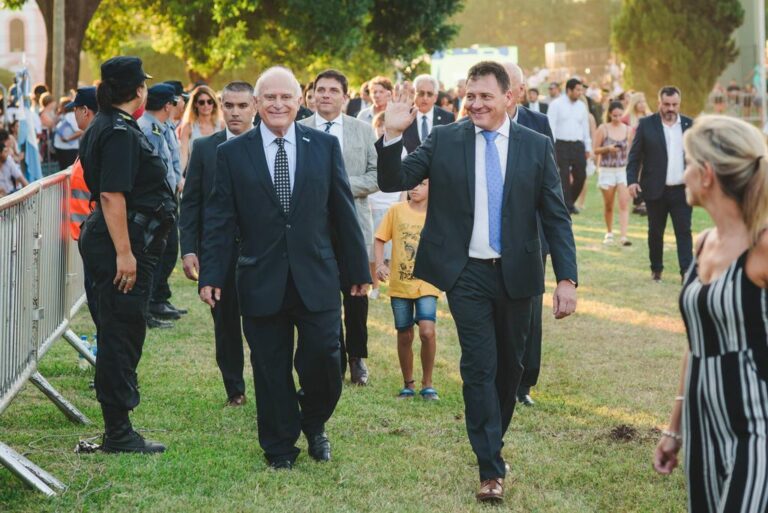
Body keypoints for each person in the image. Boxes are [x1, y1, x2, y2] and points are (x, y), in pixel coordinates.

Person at [377, 61, 578, 503]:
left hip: (518, 273)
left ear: (510, 97)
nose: (476, 104)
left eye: (486, 96)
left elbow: (556, 216)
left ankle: (492, 441)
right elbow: (395, 179)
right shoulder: (445, 138)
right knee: (479, 366)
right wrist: (392, 135)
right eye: (471, 96)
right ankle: (489, 467)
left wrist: (566, 278)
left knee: (511, 368)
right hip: (465, 273)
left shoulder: (536, 145)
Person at [198, 66, 370, 469]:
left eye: (286, 97)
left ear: (299, 101)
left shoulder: (324, 147)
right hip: (260, 277)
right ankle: (278, 446)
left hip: (317, 275)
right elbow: (220, 219)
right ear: (257, 103)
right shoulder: (231, 154)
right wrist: (212, 274)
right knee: (270, 368)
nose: (278, 104)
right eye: (270, 97)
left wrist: (357, 270)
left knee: (327, 359)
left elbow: (342, 212)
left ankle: (314, 422)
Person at [653, 115, 768, 513]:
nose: (681, 175)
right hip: (702, 425)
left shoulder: (762, 246)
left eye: (687, 164)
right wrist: (675, 428)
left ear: (706, 175)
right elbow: (696, 341)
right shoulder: (703, 243)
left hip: (756, 424)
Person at [78, 56, 177, 454]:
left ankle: (118, 425)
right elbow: (111, 195)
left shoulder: (109, 123)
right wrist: (125, 253)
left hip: (123, 239)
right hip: (122, 242)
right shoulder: (117, 130)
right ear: (138, 90)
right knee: (121, 333)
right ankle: (118, 432)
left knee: (121, 329)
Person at [298, 69, 379, 385]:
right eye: (321, 89)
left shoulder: (362, 130)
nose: (326, 95)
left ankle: (357, 357)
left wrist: (339, 185)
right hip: (312, 227)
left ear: (346, 97)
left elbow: (375, 176)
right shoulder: (299, 128)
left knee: (356, 294)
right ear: (312, 95)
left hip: (353, 225)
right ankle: (333, 356)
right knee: (321, 294)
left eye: (333, 90)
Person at [180, 81, 256, 406]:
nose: (235, 112)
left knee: (263, 323)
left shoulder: (266, 145)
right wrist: (188, 249)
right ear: (221, 107)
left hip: (259, 251)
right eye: (230, 105)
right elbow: (191, 203)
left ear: (254, 107)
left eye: (242, 105)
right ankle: (234, 390)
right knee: (224, 323)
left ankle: (268, 382)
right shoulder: (204, 148)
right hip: (218, 252)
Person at [503, 62, 554, 407]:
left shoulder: (539, 124)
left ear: (520, 90)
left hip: (530, 234)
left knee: (530, 311)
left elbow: (549, 184)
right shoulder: (475, 121)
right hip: (490, 234)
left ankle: (524, 382)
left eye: (508, 83)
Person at [374, 179, 440, 400]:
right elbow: (380, 238)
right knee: (405, 335)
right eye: (412, 184)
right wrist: (380, 264)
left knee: (427, 332)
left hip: (427, 283)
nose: (415, 188)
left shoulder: (436, 214)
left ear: (432, 187)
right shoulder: (396, 210)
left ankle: (427, 384)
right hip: (400, 284)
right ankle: (408, 384)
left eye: (422, 184)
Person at [627, 86, 693, 282]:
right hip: (655, 189)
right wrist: (632, 181)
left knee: (684, 231)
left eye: (674, 104)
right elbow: (634, 156)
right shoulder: (646, 124)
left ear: (679, 104)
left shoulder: (689, 125)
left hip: (682, 189)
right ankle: (656, 269)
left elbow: (698, 155)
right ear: (659, 103)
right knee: (655, 232)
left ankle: (686, 272)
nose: (671, 108)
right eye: (666, 104)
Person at [137, 84, 184, 329]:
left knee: (166, 251)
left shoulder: (159, 126)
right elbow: (154, 168)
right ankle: (147, 308)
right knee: (155, 257)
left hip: (166, 198)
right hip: (157, 201)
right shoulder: (150, 129)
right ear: (167, 105)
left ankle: (154, 303)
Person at [66, 87, 99, 324]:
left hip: (95, 233)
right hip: (89, 232)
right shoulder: (91, 139)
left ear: (85, 111)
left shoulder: (96, 140)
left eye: (75, 110)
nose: (74, 115)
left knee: (98, 298)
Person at [368, 111, 405, 299]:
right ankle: (374, 287)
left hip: (392, 206)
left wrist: (401, 204)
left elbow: (405, 181)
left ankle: (394, 286)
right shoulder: (369, 148)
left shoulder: (400, 149)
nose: (382, 129)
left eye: (386, 126)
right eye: (379, 126)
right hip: (372, 206)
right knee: (372, 252)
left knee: (394, 251)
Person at [548, 78, 591, 214]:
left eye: (581, 90)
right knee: (564, 177)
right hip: (561, 145)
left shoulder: (582, 106)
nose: (580, 92)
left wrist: (588, 147)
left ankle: (568, 203)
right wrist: (551, 146)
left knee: (581, 176)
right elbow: (550, 126)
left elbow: (585, 128)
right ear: (569, 90)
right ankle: (567, 206)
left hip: (578, 145)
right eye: (577, 90)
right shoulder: (556, 104)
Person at [594, 101, 632, 246]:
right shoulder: (603, 129)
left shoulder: (628, 130)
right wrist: (608, 148)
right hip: (607, 170)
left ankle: (624, 236)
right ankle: (609, 232)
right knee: (609, 205)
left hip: (622, 170)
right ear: (610, 114)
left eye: (620, 115)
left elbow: (632, 150)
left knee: (624, 203)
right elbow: (595, 150)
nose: (617, 118)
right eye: (615, 115)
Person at [402, 74, 455, 154]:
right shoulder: (404, 115)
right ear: (414, 94)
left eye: (429, 94)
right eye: (421, 93)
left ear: (435, 97)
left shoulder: (447, 117)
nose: (425, 98)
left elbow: (450, 147)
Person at [179, 85, 223, 170]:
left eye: (209, 102)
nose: (206, 105)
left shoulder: (222, 125)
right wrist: (180, 175)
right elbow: (183, 155)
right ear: (195, 104)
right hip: (195, 171)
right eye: (201, 102)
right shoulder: (188, 127)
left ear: (214, 103)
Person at [53, 100, 82, 169]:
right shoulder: (64, 115)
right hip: (62, 148)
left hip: (68, 149)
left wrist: (67, 139)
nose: (59, 107)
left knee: (68, 169)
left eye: (61, 106)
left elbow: (80, 132)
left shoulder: (71, 116)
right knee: (64, 169)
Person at [0, 129, 29, 196]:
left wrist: (31, 192)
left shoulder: (8, 160)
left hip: (12, 194)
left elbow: (22, 179)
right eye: (5, 152)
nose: (7, 154)